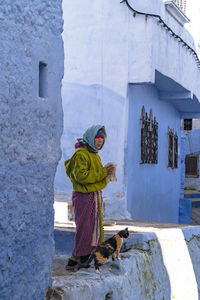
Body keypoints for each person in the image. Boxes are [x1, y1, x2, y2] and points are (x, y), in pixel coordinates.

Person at [64, 125, 116, 270]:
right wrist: (103, 172)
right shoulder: (81, 154)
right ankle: (83, 261)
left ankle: (74, 262)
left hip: (93, 197)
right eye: (97, 138)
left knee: (92, 229)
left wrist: (107, 174)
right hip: (84, 198)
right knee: (85, 229)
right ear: (89, 137)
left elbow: (96, 177)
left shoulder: (94, 154)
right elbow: (81, 176)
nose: (99, 142)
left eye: (101, 139)